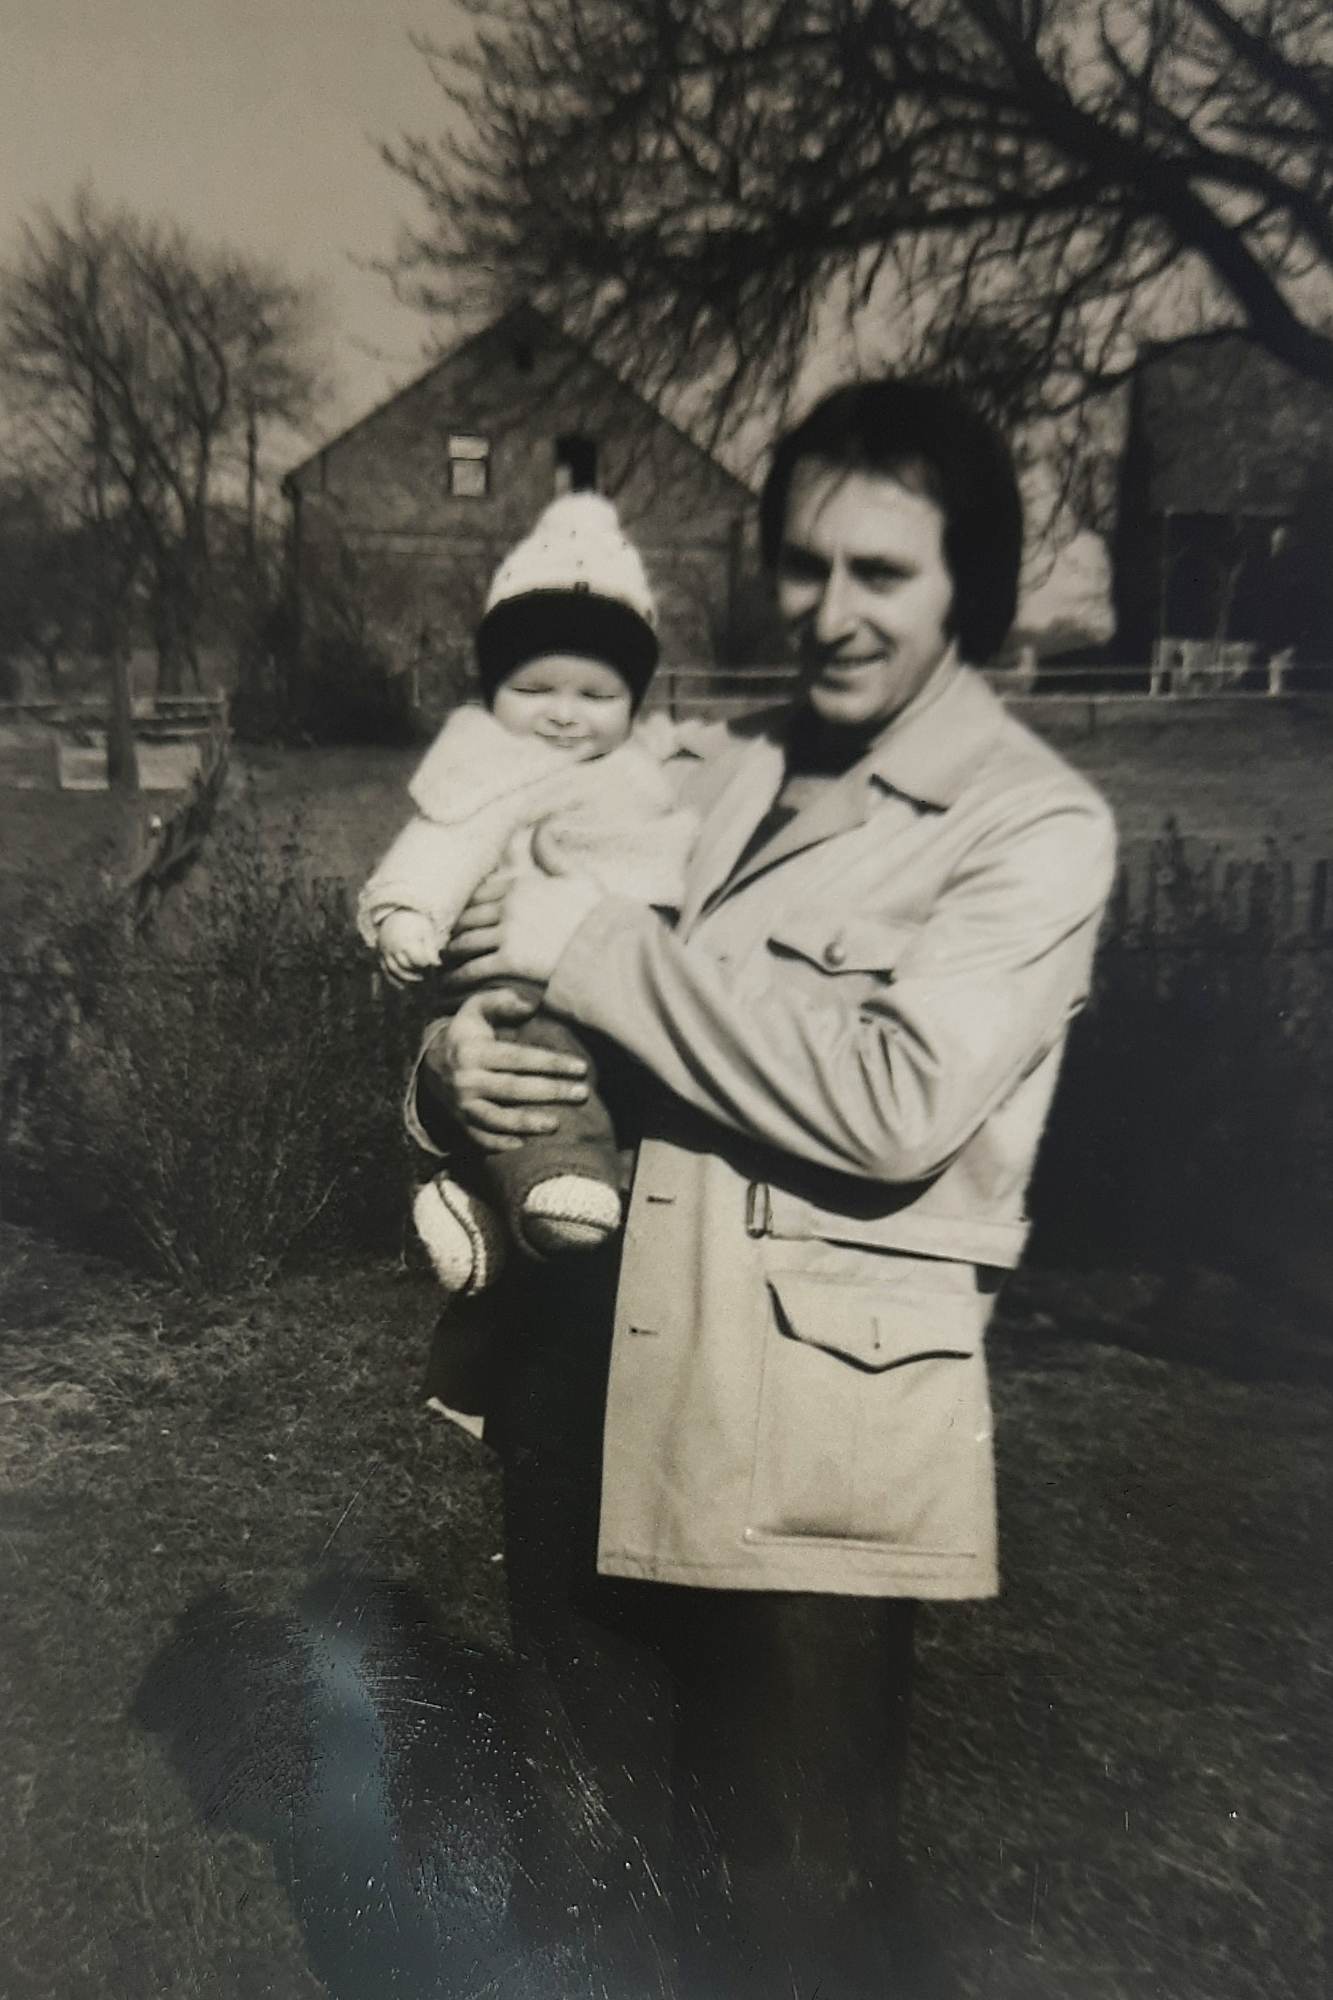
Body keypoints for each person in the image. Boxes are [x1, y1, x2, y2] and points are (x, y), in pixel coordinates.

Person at [411, 379, 1118, 1997]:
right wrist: (452, 1073)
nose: (831, 610)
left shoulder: (1028, 827)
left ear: (969, 583)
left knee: (793, 1922)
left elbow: (893, 1100)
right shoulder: (700, 769)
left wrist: (597, 952)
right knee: (585, 1894)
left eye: (882, 572)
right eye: (804, 565)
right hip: (582, 1384)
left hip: (801, 1447)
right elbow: (505, 946)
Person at [359, 491, 699, 1300]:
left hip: (631, 988)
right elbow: (442, 840)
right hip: (525, 988)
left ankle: (477, 1206)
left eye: (595, 696)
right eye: (535, 690)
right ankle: (557, 1181)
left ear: (634, 702)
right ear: (493, 689)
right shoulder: (490, 768)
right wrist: (407, 913)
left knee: (615, 1085)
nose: (564, 716)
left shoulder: (652, 773)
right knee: (539, 1068)